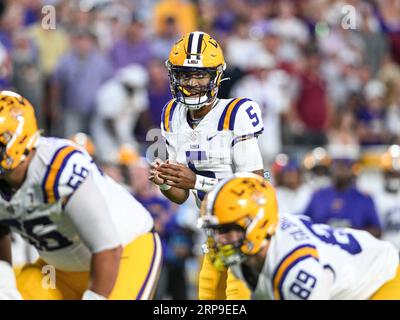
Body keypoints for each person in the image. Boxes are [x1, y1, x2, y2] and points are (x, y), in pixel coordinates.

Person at [0, 91, 161, 300]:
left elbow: (108, 248)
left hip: (123, 254)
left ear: (19, 139)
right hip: (57, 270)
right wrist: (5, 288)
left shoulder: (57, 168)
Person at [149, 31, 265, 300]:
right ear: (173, 76)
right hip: (214, 238)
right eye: (185, 74)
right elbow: (179, 196)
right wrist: (166, 180)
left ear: (215, 76)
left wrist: (196, 181)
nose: (192, 82)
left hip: (247, 235)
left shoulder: (236, 113)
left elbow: (255, 189)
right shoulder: (172, 114)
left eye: (200, 74)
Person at [198, 173, 400, 300]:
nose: (219, 239)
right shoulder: (252, 247)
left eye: (226, 229)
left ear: (258, 224)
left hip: (381, 279)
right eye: (216, 230)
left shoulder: (297, 270)